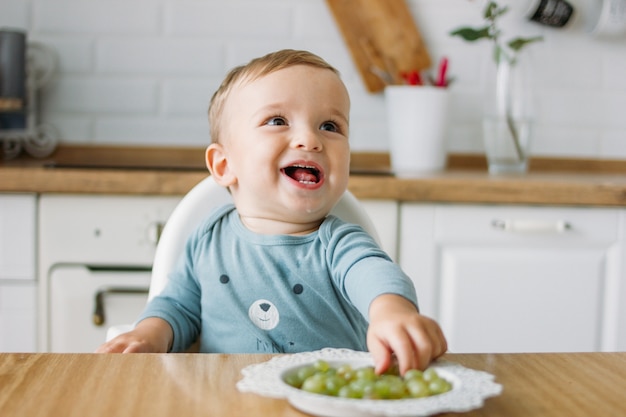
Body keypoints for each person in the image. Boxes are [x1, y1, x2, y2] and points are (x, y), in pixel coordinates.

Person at [96, 49, 447, 374]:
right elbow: (178, 308)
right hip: (224, 401)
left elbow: (374, 275)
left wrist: (391, 312)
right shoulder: (207, 239)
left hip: (322, 403)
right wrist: (149, 335)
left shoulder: (338, 243)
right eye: (278, 120)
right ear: (223, 164)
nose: (310, 140)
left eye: (330, 126)